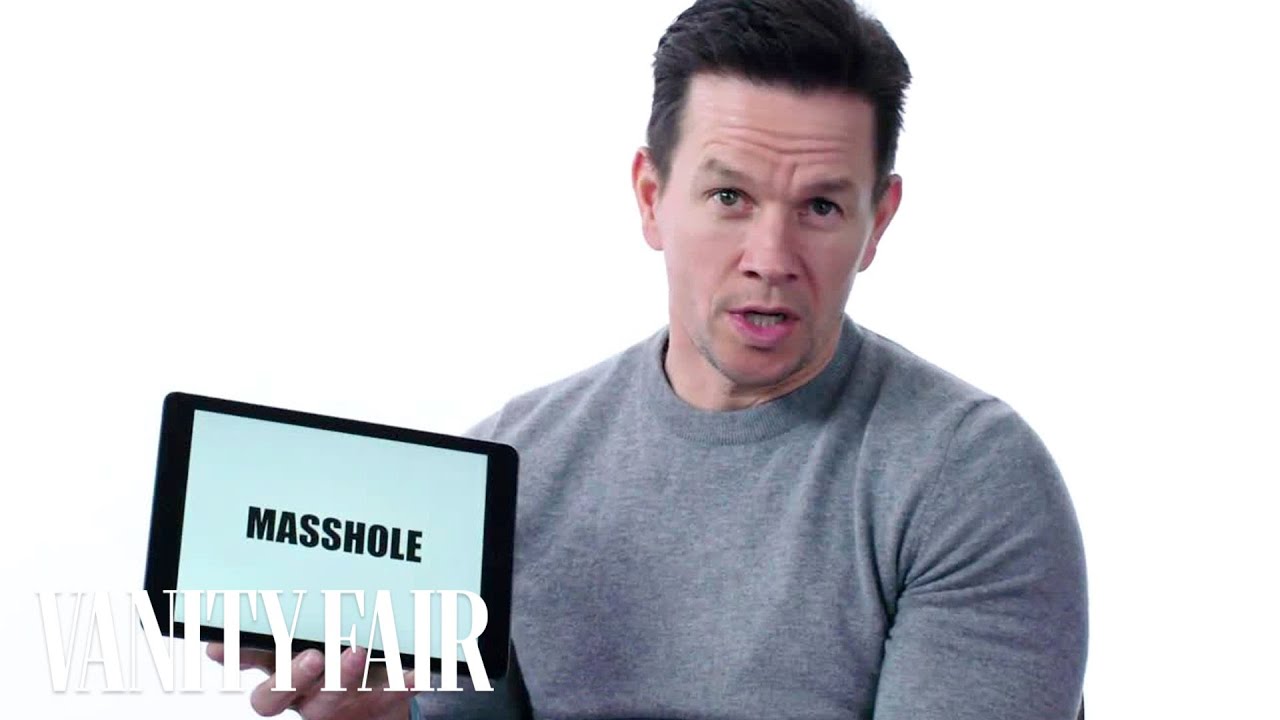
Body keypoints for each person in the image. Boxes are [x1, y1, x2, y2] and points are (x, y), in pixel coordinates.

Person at [210, 0, 1089, 717]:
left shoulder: (967, 478)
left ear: (878, 222)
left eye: (821, 208)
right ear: (650, 197)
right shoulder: (515, 465)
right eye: (730, 195)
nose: (771, 257)